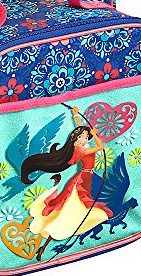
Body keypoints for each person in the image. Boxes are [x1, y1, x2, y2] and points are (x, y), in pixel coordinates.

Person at [20, 106, 113, 260]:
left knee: (71, 209)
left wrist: (76, 115)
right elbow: (101, 147)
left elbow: (80, 130)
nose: (85, 139)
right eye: (81, 138)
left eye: (86, 137)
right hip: (83, 178)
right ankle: (49, 238)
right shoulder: (81, 151)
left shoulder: (80, 148)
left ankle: (44, 245)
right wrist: (95, 135)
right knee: (71, 207)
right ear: (74, 140)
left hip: (86, 177)